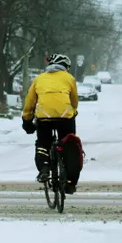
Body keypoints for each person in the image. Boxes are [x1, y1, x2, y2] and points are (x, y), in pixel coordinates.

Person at [21, 53, 79, 194]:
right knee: (69, 143)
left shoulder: (39, 79)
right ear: (65, 66)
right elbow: (74, 102)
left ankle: (44, 168)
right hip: (65, 118)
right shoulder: (69, 78)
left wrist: (27, 119)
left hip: (44, 118)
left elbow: (30, 102)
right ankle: (70, 180)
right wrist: (73, 112)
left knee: (43, 143)